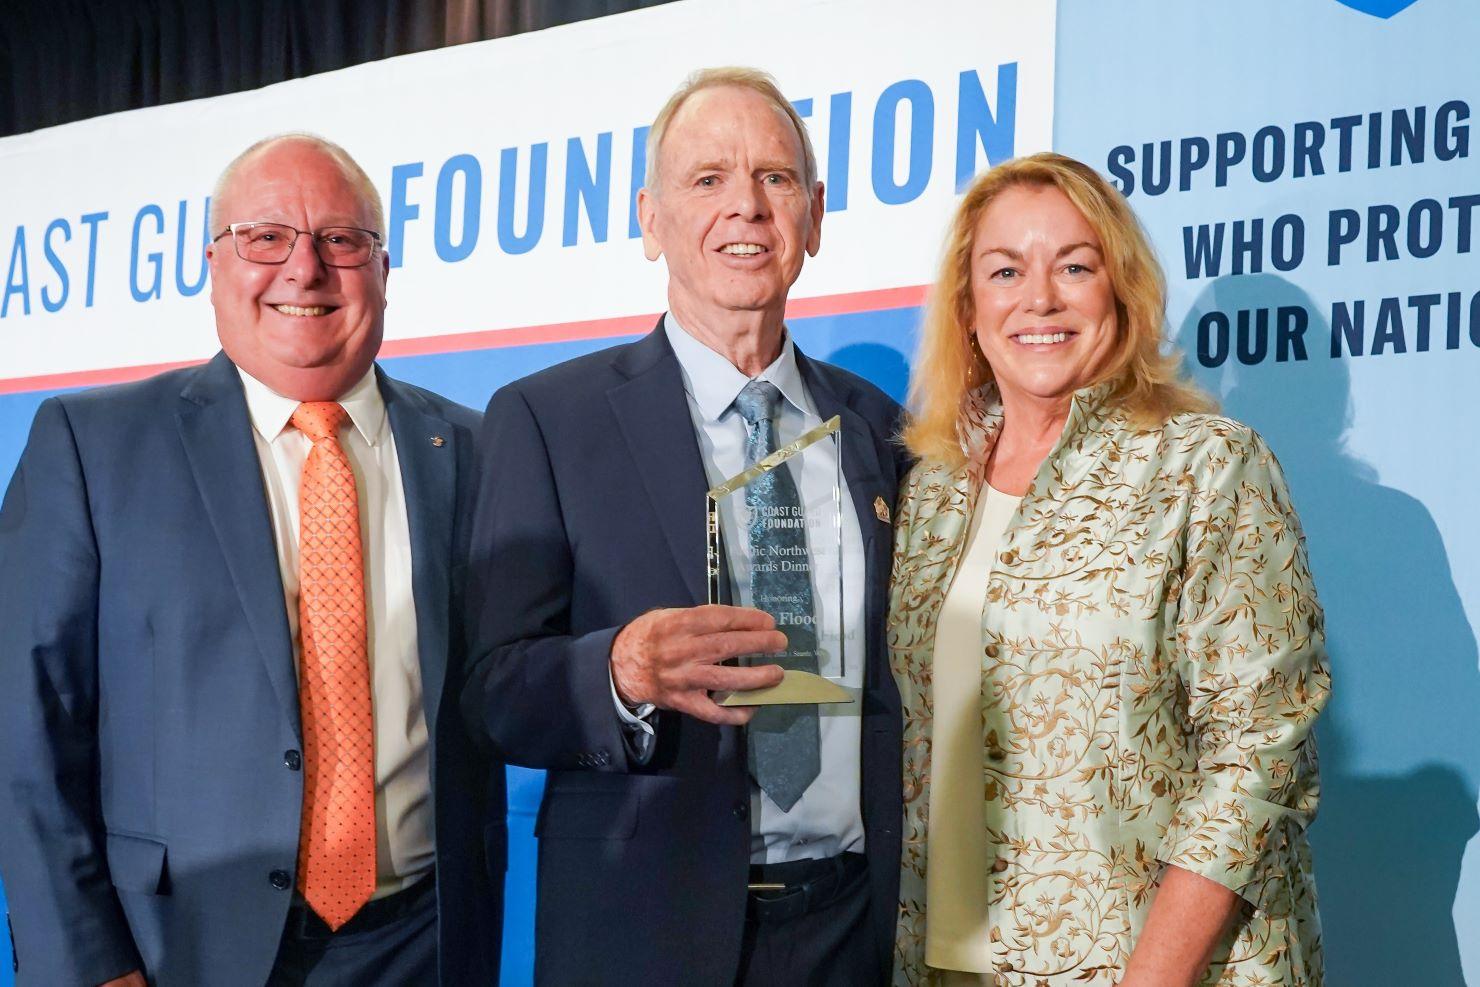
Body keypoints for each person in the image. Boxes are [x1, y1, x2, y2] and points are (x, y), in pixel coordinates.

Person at [0, 134, 502, 987]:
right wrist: (88, 965)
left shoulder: (475, 448)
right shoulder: (92, 446)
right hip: (178, 952)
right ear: (212, 263)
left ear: (384, 269)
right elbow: (24, 727)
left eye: (341, 240)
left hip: (426, 942)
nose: (304, 270)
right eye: (265, 238)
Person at [461, 67, 908, 985]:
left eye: (775, 179)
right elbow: (492, 690)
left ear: (814, 217)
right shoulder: (548, 419)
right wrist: (617, 669)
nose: (744, 206)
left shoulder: (881, 429)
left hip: (849, 930)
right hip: (640, 929)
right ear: (650, 218)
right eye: (707, 180)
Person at [887, 152, 1330, 986]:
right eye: (1006, 269)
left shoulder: (1207, 468)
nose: (1040, 298)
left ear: (1119, 292)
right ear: (968, 307)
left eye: (1075, 266)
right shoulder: (930, 495)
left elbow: (1259, 753)